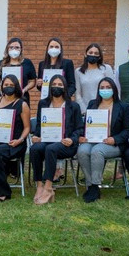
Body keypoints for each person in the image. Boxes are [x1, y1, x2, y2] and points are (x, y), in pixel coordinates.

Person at [29, 74, 83, 205]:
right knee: (35, 148)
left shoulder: (73, 106)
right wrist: (36, 136)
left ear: (64, 88)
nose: (56, 87)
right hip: (47, 140)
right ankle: (39, 186)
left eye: (60, 85)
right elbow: (40, 126)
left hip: (66, 144)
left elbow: (80, 129)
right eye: (54, 84)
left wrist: (72, 139)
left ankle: (48, 188)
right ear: (49, 87)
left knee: (50, 149)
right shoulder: (43, 103)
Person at [77, 77, 129, 203]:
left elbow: (128, 130)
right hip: (92, 140)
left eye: (108, 87)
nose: (105, 90)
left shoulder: (123, 106)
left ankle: (95, 186)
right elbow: (86, 124)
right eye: (102, 87)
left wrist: (115, 139)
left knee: (97, 151)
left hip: (114, 144)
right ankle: (90, 184)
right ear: (98, 90)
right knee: (82, 150)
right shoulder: (92, 104)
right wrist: (83, 135)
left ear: (114, 89)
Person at [0, 37, 37, 103]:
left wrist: (24, 90)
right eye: (11, 47)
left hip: (22, 98)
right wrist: (2, 90)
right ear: (7, 49)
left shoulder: (27, 63)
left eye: (17, 47)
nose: (14, 49)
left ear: (21, 49)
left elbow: (32, 81)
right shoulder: (1, 63)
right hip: (4, 98)